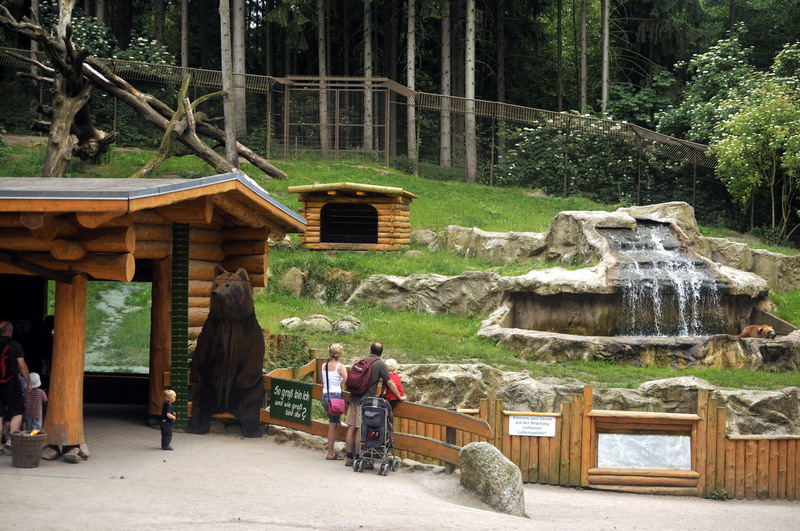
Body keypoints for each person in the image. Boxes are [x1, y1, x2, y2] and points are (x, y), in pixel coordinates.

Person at [344, 342, 406, 467]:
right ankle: (359, 457)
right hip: (365, 401)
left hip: (353, 397)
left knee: (351, 427)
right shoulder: (380, 364)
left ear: (370, 350)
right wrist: (400, 396)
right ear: (381, 352)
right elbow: (390, 382)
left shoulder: (362, 360)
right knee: (360, 428)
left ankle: (349, 457)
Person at [0, 321, 32, 449]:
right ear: (10, 331)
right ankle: (11, 441)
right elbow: (22, 365)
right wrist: (28, 382)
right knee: (17, 410)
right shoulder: (15, 345)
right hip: (11, 383)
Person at [321, 343, 348, 460]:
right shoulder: (340, 367)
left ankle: (333, 450)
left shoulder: (324, 366)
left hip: (325, 395)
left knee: (335, 422)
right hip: (335, 397)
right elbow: (348, 381)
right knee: (333, 424)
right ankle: (330, 452)